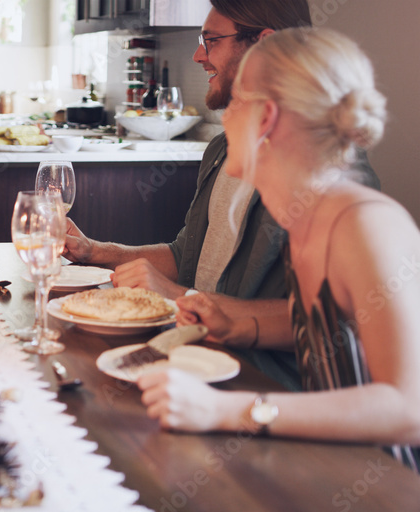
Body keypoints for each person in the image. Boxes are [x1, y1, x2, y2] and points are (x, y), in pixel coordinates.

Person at [138, 28, 420, 472]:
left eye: (234, 105)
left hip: (383, 486)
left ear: (265, 118)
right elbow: (336, 332)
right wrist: (235, 325)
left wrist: (227, 411)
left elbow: (408, 410)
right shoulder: (303, 215)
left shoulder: (366, 225)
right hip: (324, 462)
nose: (224, 118)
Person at [63, 0, 377, 391]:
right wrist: (95, 251)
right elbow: (188, 257)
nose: (199, 55)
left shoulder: (340, 195)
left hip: (256, 380)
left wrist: (185, 300)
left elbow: (337, 335)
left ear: (263, 46)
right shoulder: (224, 153)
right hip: (200, 354)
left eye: (210, 40)